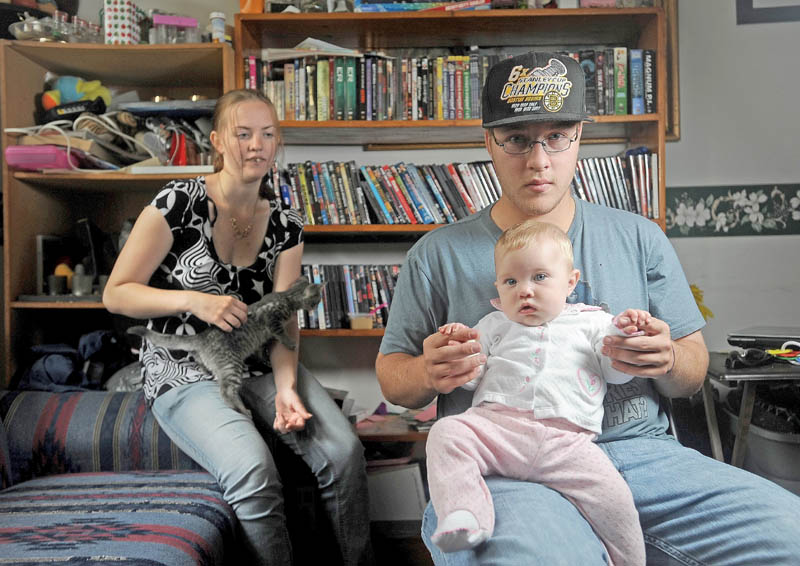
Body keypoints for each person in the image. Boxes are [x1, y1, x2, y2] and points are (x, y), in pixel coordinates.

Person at [376, 51, 800, 565]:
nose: (539, 160)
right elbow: (394, 380)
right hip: (506, 465)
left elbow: (692, 371)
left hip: (644, 459)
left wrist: (666, 360)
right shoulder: (436, 254)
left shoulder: (639, 237)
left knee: (788, 536)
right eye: (517, 139)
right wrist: (427, 370)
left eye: (557, 136)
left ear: (580, 137)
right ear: (488, 142)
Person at [103, 89, 373, 566]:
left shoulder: (286, 225)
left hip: (258, 363)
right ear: (218, 143)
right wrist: (194, 301)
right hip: (183, 367)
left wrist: (288, 388)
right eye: (243, 134)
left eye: (267, 135)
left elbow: (285, 316)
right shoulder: (177, 202)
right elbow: (117, 293)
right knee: (253, 471)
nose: (257, 146)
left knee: (345, 453)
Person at [427, 219, 646, 565]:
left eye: (540, 277)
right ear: (498, 288)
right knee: (446, 432)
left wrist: (625, 336)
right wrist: (460, 347)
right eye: (511, 281)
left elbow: (615, 374)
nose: (524, 290)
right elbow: (469, 378)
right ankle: (466, 515)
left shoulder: (592, 322)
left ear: (570, 282)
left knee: (616, 501)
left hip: (567, 442)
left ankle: (630, 561)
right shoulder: (493, 325)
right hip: (497, 432)